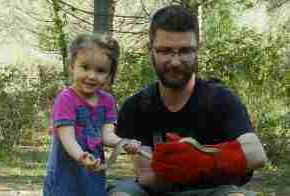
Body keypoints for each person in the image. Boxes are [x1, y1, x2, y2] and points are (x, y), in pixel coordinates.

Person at [108, 5, 267, 196]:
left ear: (198, 49)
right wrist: (176, 169)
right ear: (150, 49)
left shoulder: (222, 100)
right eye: (165, 51)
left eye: (185, 51)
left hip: (214, 191)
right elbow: (147, 176)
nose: (175, 62)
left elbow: (257, 154)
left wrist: (203, 160)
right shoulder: (135, 107)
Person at [43, 33, 141, 196]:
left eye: (101, 70)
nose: (92, 76)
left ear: (109, 75)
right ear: (72, 66)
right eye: (85, 67)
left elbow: (107, 136)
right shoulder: (66, 99)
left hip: (93, 173)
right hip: (65, 176)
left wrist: (124, 143)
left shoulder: (108, 101)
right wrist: (81, 157)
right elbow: (67, 138)